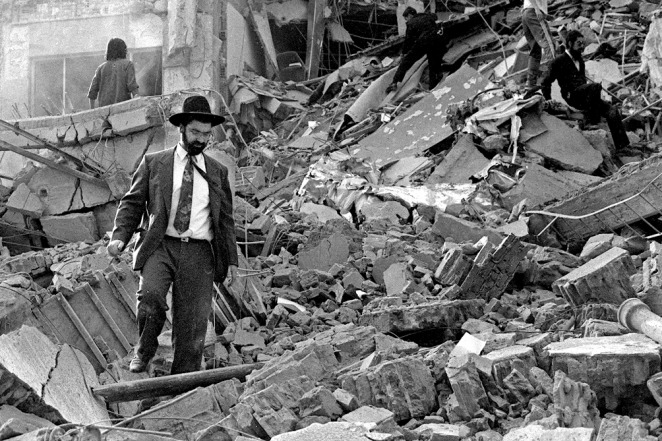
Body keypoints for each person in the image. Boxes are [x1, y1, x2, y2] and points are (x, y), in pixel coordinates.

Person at [107, 95, 238, 374]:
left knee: (192, 323)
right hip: (161, 245)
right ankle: (144, 350)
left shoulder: (217, 172)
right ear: (181, 128)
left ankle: (183, 380)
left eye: (206, 134)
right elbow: (132, 203)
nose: (201, 139)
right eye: (195, 132)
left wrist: (232, 261)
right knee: (150, 297)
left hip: (200, 253)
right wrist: (120, 236)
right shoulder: (155, 163)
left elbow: (225, 220)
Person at [541, 30, 630, 150]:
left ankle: (622, 146)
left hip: (585, 97)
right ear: (570, 43)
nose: (582, 47)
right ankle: (592, 121)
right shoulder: (558, 61)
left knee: (612, 110)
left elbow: (584, 84)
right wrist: (548, 100)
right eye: (579, 43)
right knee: (595, 87)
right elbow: (545, 82)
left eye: (583, 44)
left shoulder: (580, 61)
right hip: (571, 96)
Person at [386, 7, 444, 93]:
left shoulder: (411, 23)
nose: (406, 21)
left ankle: (394, 82)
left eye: (406, 18)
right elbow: (435, 17)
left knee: (406, 62)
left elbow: (408, 40)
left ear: (410, 15)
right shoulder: (427, 16)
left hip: (423, 42)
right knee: (433, 63)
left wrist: (403, 53)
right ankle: (433, 86)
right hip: (437, 40)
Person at [88, 38, 139, 109]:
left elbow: (92, 93)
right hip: (123, 109)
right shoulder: (128, 65)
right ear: (123, 50)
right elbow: (133, 88)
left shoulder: (101, 68)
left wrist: (92, 111)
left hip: (104, 112)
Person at [521, 0, 551, 88]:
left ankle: (530, 82)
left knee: (535, 49)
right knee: (548, 43)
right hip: (533, 12)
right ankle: (558, 74)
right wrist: (537, 10)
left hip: (526, 14)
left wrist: (545, 15)